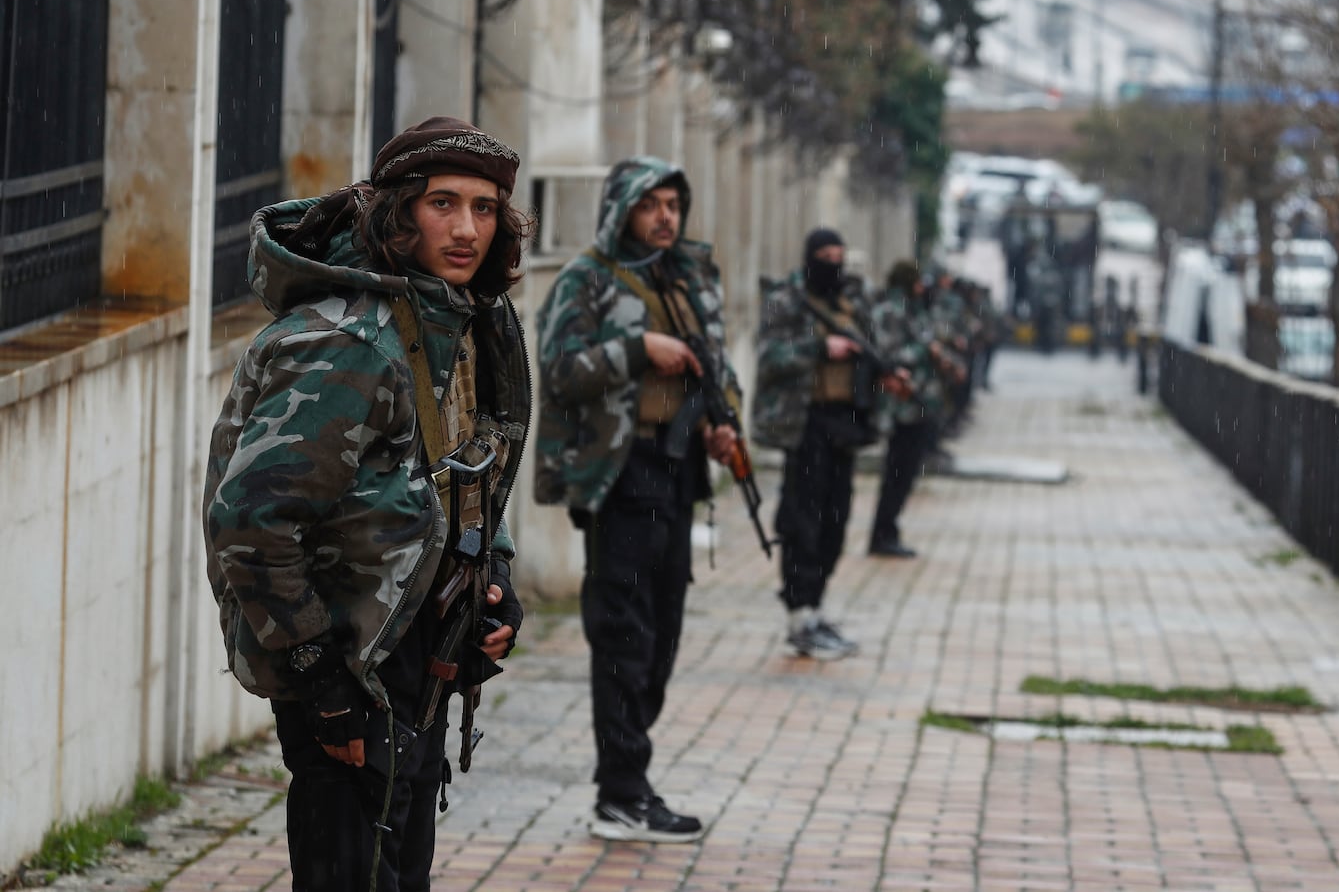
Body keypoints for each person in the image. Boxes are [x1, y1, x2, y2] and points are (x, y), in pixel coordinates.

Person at [204, 116, 533, 891]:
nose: (465, 228)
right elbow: (251, 522)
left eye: (484, 209)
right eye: (442, 203)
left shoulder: (452, 319)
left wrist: (497, 584)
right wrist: (319, 678)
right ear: (398, 211)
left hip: (416, 659)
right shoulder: (349, 341)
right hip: (350, 663)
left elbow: (467, 471)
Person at [533, 156, 742, 844]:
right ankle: (622, 789)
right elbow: (560, 370)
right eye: (650, 204)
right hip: (619, 474)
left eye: (673, 204)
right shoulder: (586, 280)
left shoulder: (687, 276)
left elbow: (718, 364)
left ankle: (627, 771)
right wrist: (635, 349)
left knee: (663, 631)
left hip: (677, 470)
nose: (664, 217)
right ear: (622, 208)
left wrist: (723, 421)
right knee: (623, 632)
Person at [753, 228, 907, 659]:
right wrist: (820, 347)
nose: (832, 262)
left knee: (835, 522)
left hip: (845, 423)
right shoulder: (787, 301)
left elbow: (873, 349)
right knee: (802, 521)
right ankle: (799, 613)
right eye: (824, 254)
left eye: (838, 255)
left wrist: (886, 375)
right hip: (804, 423)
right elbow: (769, 357)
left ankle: (816, 609)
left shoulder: (852, 303)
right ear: (809, 257)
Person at [865, 261, 962, 558]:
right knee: (896, 472)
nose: (923, 287)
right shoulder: (891, 311)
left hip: (919, 403)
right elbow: (889, 354)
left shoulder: (913, 309)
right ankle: (882, 534)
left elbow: (926, 340)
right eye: (917, 282)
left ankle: (889, 530)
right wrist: (925, 352)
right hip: (901, 405)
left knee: (906, 473)